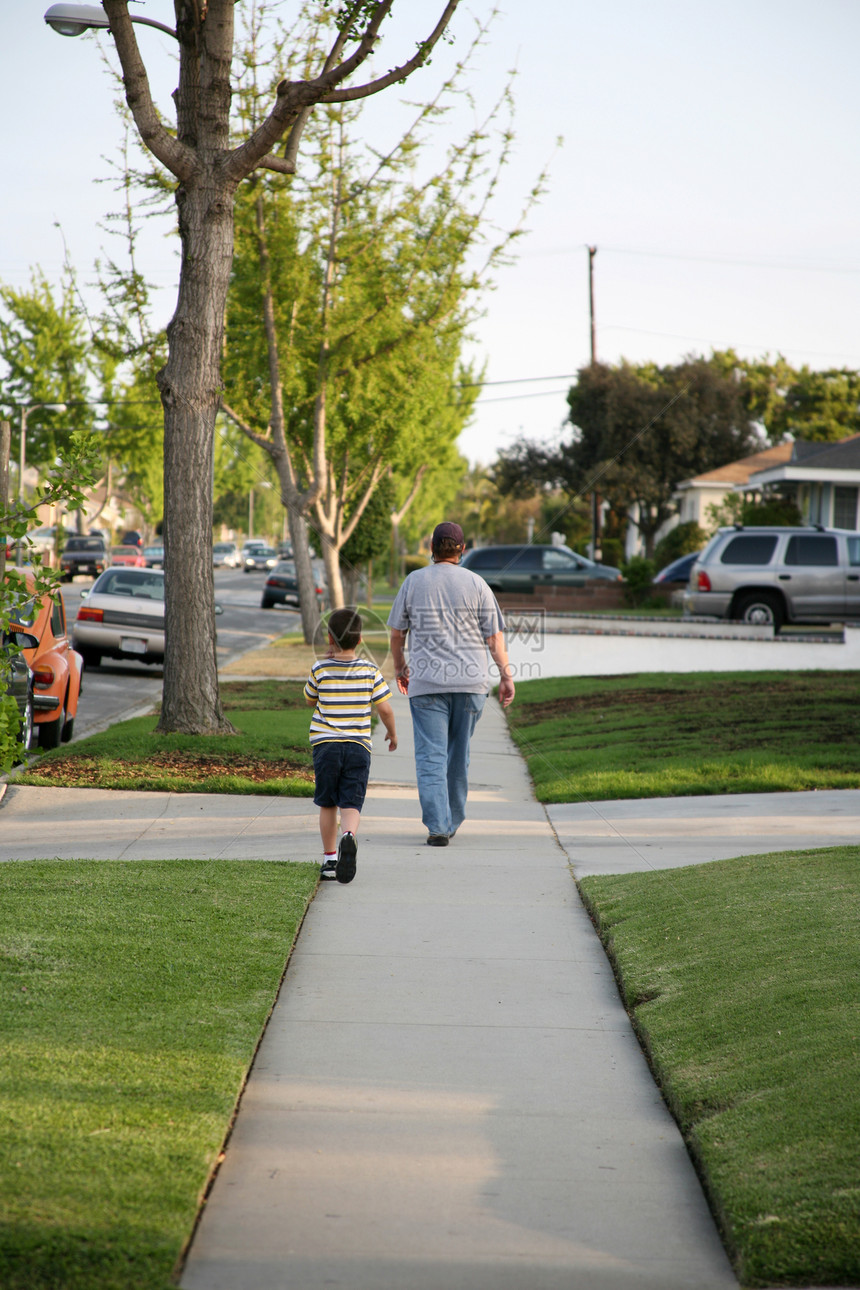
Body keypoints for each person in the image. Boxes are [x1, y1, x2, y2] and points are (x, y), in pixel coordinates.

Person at [387, 521, 515, 846]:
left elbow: (397, 633)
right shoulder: (477, 584)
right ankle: (452, 820)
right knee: (459, 755)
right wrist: (506, 674)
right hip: (471, 684)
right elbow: (494, 637)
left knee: (431, 755)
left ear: (431, 549)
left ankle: (438, 826)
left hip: (427, 683)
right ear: (462, 550)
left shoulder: (414, 581)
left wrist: (401, 667)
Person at [304, 607, 397, 883]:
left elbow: (310, 700)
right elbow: (386, 710)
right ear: (359, 640)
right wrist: (392, 734)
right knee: (351, 802)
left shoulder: (319, 668)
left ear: (330, 640)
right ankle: (349, 836)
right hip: (358, 746)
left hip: (326, 746)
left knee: (327, 803)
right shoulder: (370, 670)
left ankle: (330, 858)